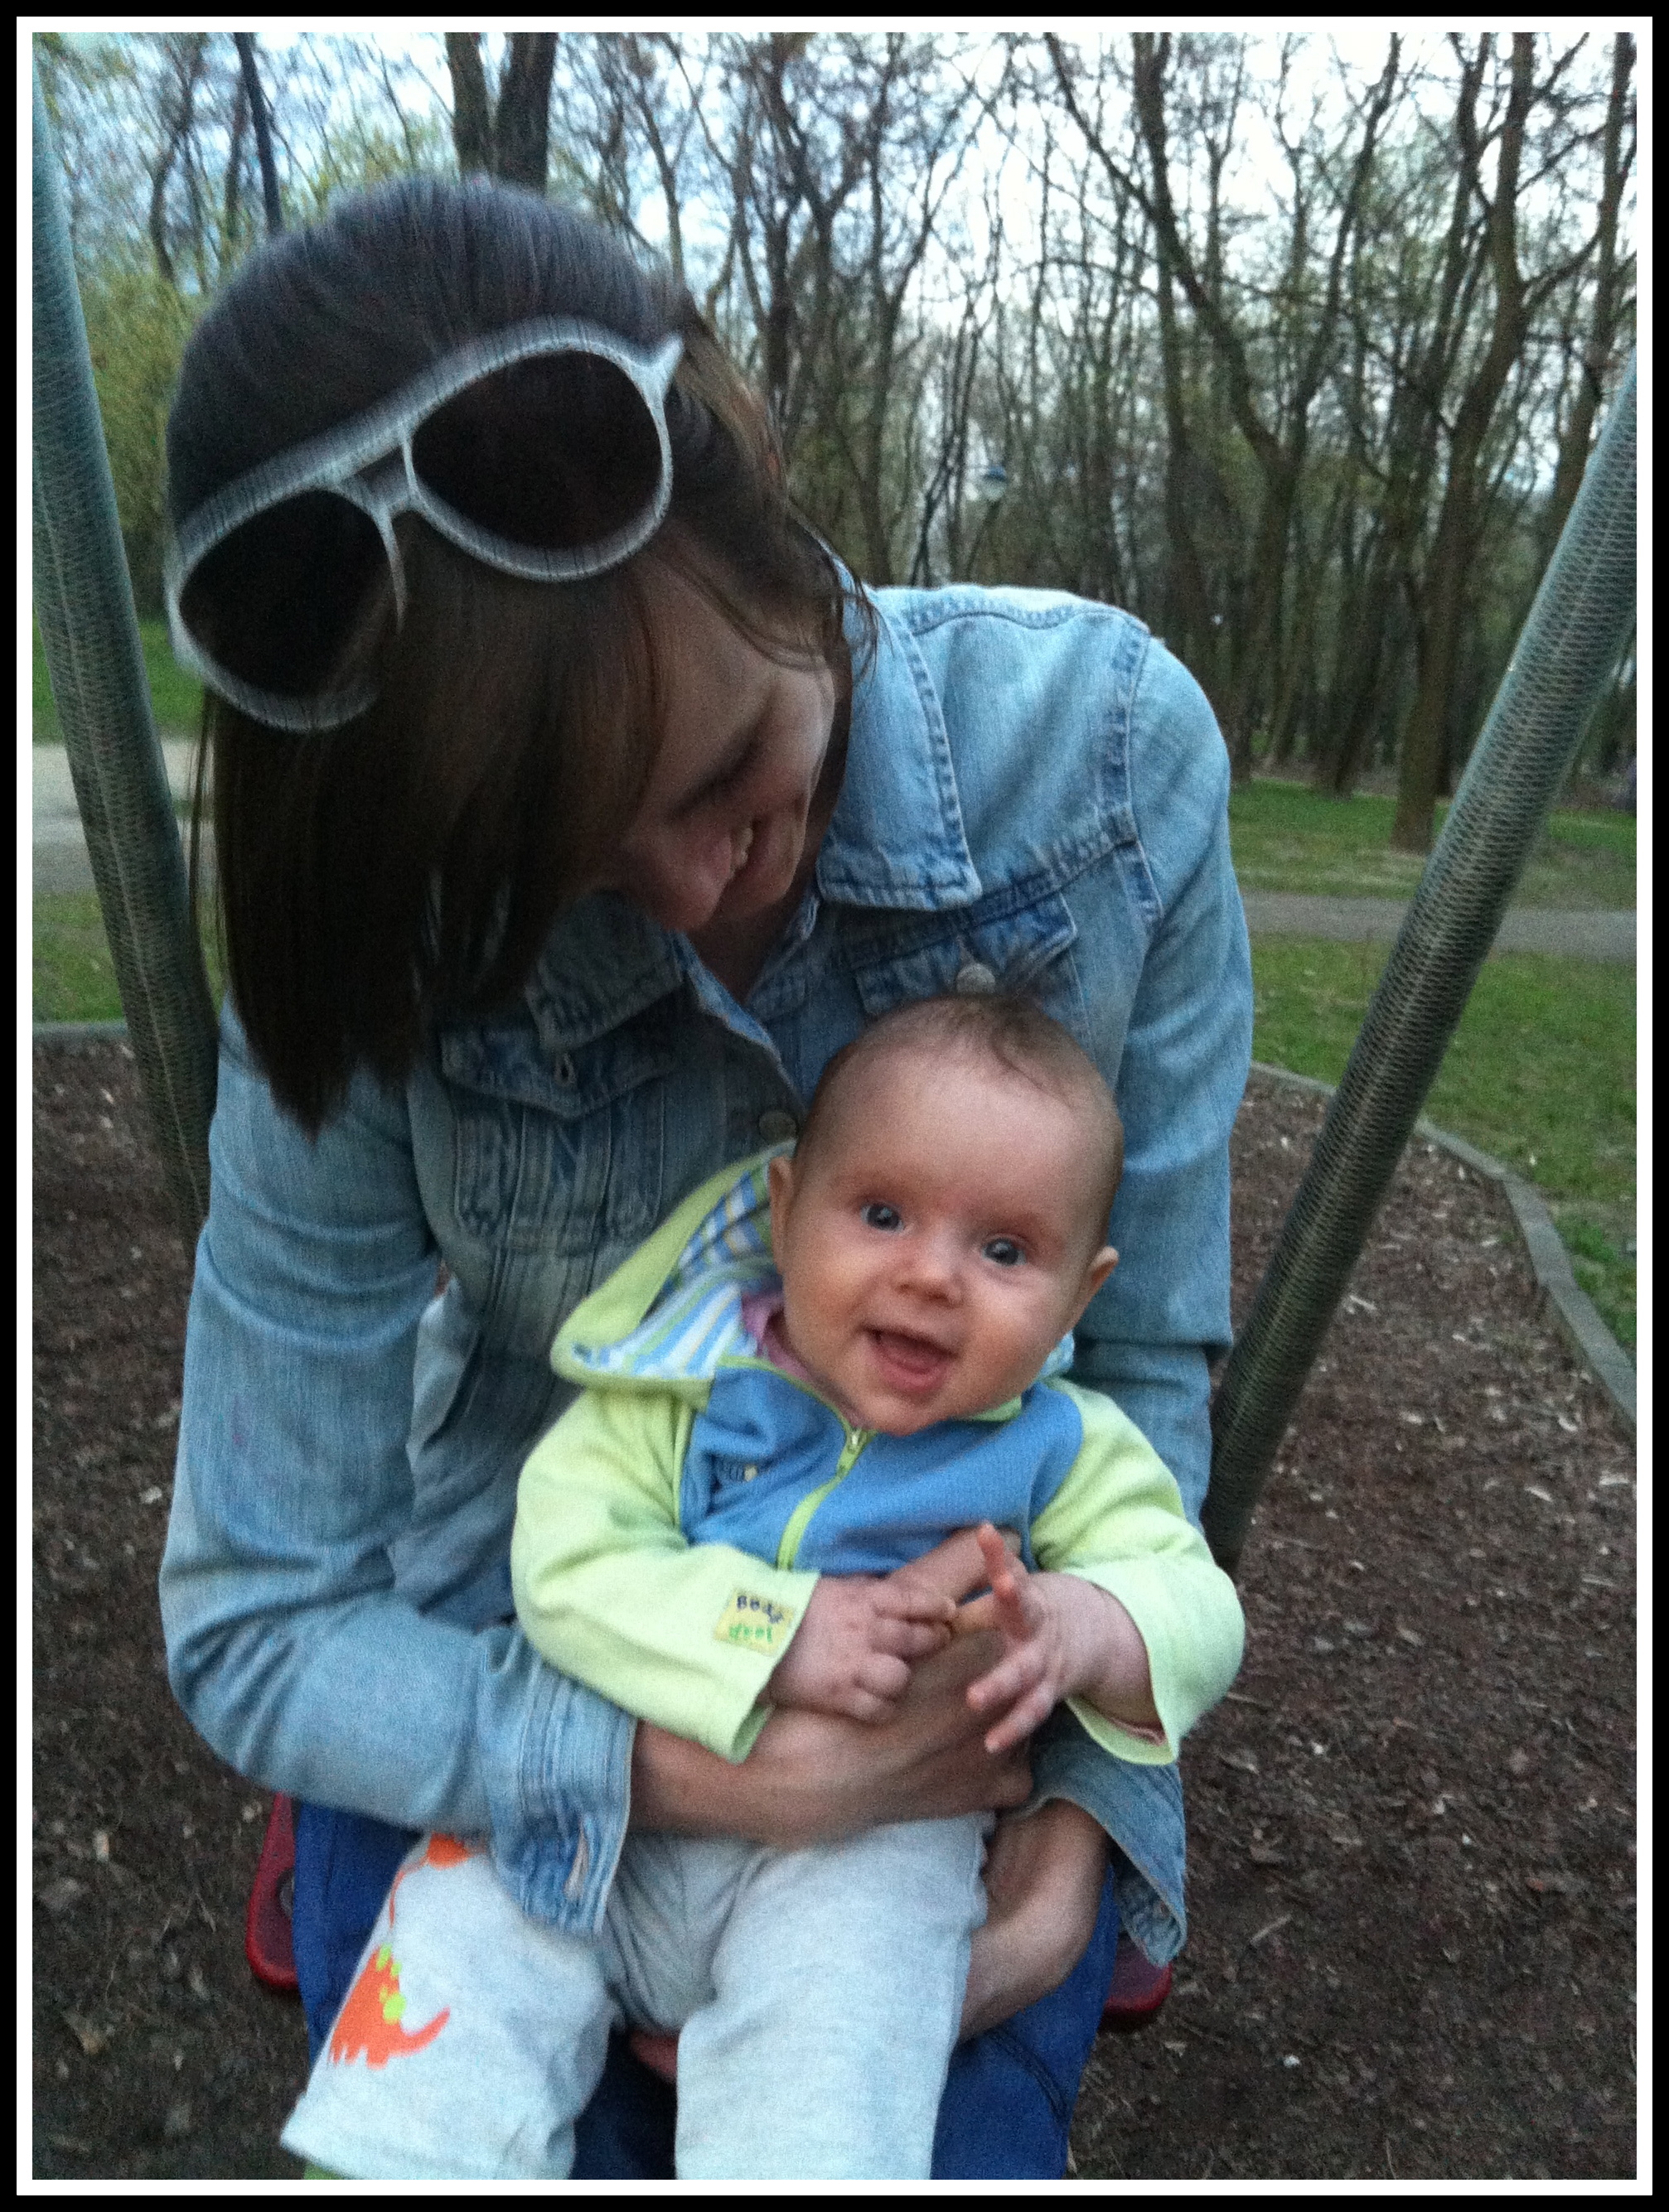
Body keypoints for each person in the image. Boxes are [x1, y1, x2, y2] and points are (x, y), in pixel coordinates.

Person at [157, 175, 1252, 2181]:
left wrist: (1085, 1846)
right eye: (562, 871)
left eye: (726, 780)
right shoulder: (381, 918)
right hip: (518, 1662)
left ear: (760, 521)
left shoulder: (1097, 770)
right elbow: (261, 1618)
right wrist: (714, 1778)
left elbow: (1140, 1374)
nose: (677, 896)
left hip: (946, 1751)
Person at [278, 994, 1246, 2177]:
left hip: (864, 1863)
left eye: (1003, 1250)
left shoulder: (1061, 1448)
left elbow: (1197, 1604)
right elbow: (566, 1563)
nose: (932, 1276)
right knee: (459, 1939)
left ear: (1077, 1298)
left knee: (834, 2080)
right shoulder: (684, 1385)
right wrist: (773, 1629)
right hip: (608, 1819)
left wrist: (1090, 1625)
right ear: (786, 1214)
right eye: (882, 1213)